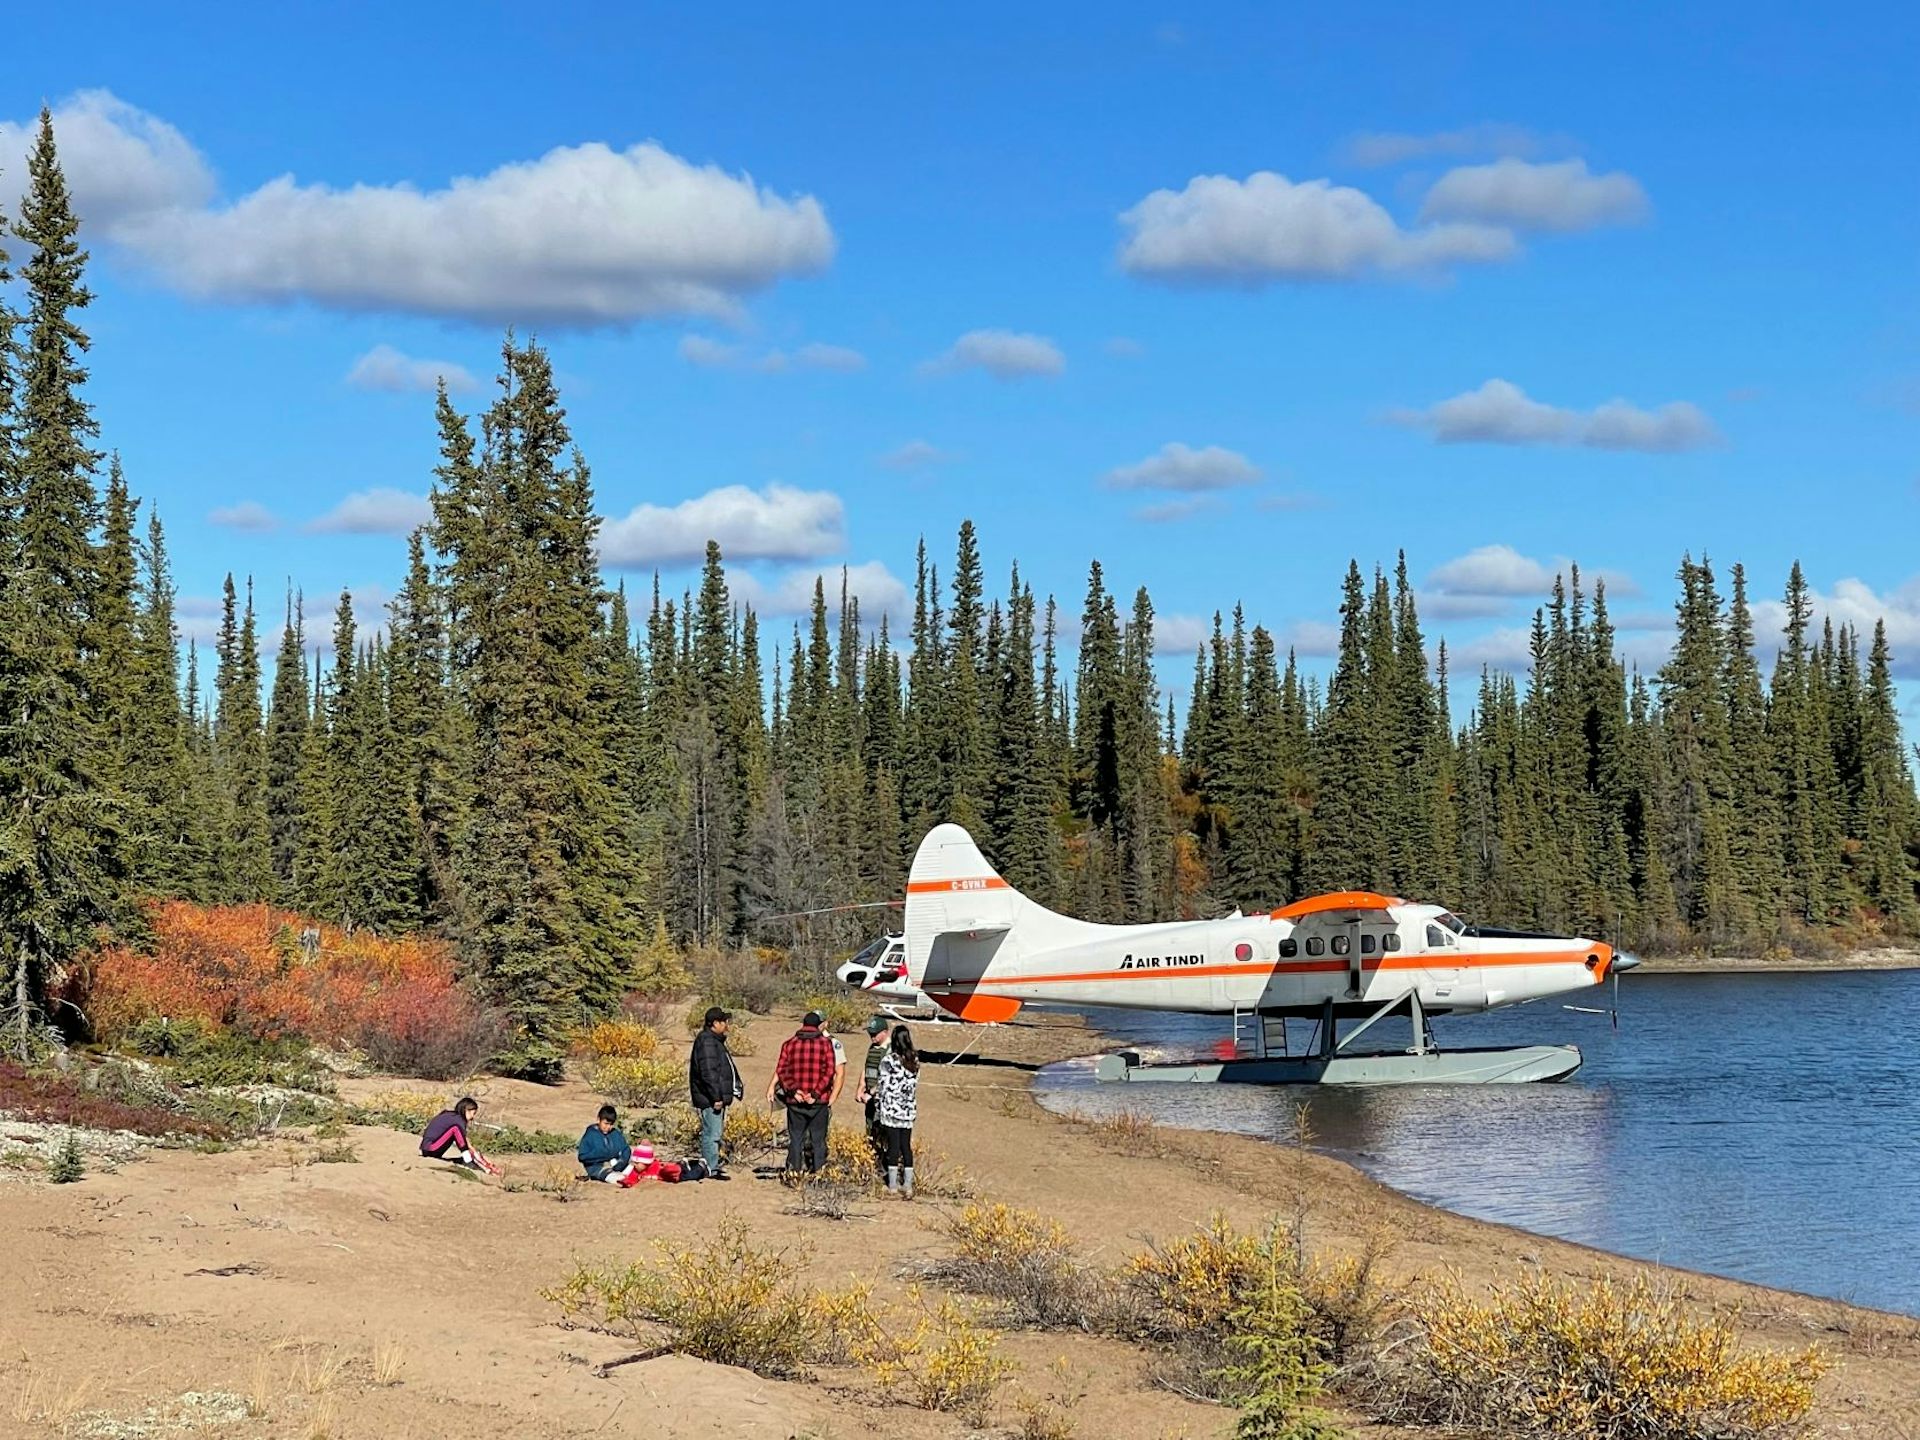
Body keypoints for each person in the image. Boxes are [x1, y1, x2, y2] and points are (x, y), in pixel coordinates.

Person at [769, 1010, 837, 1182]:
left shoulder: (789, 1044)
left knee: (796, 1138)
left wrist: (793, 1091)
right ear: (817, 1025)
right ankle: (818, 1175)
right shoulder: (826, 1044)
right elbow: (829, 1071)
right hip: (818, 1101)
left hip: (795, 1101)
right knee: (818, 1140)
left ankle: (794, 1174)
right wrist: (815, 1093)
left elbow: (782, 1070)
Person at [688, 1005, 743, 1180]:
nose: (726, 1025)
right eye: (724, 1021)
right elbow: (708, 1073)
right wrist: (716, 1097)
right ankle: (710, 1168)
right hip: (710, 1098)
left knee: (714, 1133)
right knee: (712, 1134)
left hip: (712, 1096)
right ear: (715, 1023)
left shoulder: (713, 1041)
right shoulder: (707, 1042)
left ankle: (712, 1166)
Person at [875, 1026, 921, 1199]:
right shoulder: (914, 1061)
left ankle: (893, 1185)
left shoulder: (889, 1060)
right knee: (905, 1146)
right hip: (907, 1109)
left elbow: (883, 1086)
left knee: (893, 1146)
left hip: (892, 1109)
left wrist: (879, 1105)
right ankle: (907, 1185)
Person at [420, 1097, 499, 1175]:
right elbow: (461, 1138)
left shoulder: (452, 1116)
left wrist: (478, 1155)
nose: (473, 1117)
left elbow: (464, 1140)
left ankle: (465, 1160)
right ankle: (467, 1160)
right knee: (455, 1129)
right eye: (473, 1113)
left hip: (429, 1149)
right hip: (431, 1147)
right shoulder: (458, 1120)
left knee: (457, 1132)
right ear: (466, 1110)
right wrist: (471, 1154)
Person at [857, 1014, 893, 1169]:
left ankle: (884, 1166)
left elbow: (888, 1078)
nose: (871, 1037)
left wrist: (872, 1092)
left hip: (884, 1101)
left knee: (883, 1136)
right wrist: (860, 1087)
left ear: (885, 1032)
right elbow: (866, 1068)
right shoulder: (873, 1048)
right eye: (870, 1033)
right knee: (870, 1131)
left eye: (874, 1033)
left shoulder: (892, 1051)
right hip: (870, 1099)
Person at [578, 1104, 645, 1187]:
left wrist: (621, 1162)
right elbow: (582, 1156)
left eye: (611, 1124)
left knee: (639, 1172)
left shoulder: (615, 1133)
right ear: (599, 1119)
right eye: (605, 1123)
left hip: (618, 1165)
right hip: (598, 1168)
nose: (608, 1127)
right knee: (618, 1179)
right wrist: (602, 1155)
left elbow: (626, 1149)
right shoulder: (590, 1135)